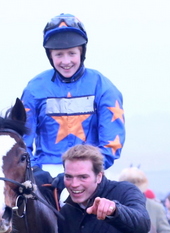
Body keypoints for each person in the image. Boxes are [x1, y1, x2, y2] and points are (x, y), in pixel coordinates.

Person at [21, 14, 125, 186]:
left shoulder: (103, 87)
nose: (66, 61)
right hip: (46, 173)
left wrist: (89, 171)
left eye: (72, 53)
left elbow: (112, 141)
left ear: (82, 52)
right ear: (50, 55)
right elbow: (21, 139)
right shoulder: (34, 89)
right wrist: (33, 170)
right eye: (59, 54)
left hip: (89, 173)